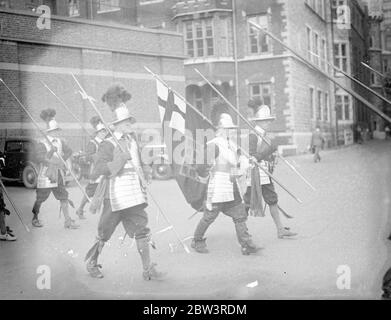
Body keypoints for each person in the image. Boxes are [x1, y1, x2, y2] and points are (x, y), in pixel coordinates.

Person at [85, 84, 164, 281]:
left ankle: (147, 269)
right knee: (104, 232)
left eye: (129, 120)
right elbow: (98, 170)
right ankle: (92, 263)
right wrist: (120, 159)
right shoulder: (108, 144)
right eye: (126, 121)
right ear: (117, 124)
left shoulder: (132, 140)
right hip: (115, 196)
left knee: (142, 229)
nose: (130, 123)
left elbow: (140, 161)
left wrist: (146, 172)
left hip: (134, 194)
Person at [191, 101, 260, 256]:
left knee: (240, 214)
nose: (231, 131)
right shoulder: (213, 145)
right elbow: (200, 166)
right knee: (209, 217)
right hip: (217, 188)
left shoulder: (232, 146)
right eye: (228, 129)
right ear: (220, 129)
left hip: (231, 186)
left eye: (232, 129)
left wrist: (250, 162)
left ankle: (246, 243)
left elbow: (239, 163)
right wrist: (205, 169)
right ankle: (197, 240)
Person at [244, 98, 297, 239]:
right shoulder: (253, 135)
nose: (268, 123)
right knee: (247, 204)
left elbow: (266, 154)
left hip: (265, 173)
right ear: (259, 121)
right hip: (255, 174)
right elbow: (253, 156)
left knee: (272, 199)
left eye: (269, 120)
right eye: (266, 120)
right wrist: (269, 150)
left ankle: (280, 230)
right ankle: (242, 231)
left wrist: (273, 155)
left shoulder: (265, 135)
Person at [31, 109, 79, 229]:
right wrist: (50, 152)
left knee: (63, 196)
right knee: (41, 198)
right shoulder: (42, 143)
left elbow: (69, 151)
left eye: (57, 130)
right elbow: (39, 158)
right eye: (54, 130)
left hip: (58, 173)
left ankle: (67, 221)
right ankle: (35, 217)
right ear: (49, 131)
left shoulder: (60, 142)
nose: (56, 132)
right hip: (46, 174)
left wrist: (61, 159)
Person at [76, 116, 108, 219]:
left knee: (106, 191)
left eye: (105, 132)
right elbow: (87, 157)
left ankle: (108, 214)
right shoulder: (92, 143)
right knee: (90, 192)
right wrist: (97, 156)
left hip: (105, 170)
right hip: (95, 171)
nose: (104, 134)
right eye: (102, 132)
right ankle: (80, 209)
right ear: (97, 133)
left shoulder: (105, 143)